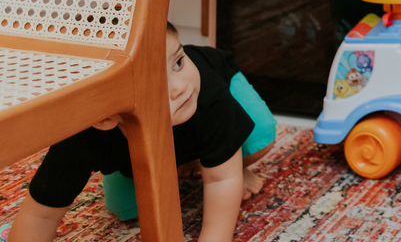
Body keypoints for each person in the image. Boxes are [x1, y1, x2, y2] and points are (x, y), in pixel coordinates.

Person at [6, 23, 277, 242]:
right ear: (104, 118)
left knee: (260, 137)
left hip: (222, 83)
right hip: (147, 141)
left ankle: (221, 161)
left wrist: (226, 177)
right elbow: (40, 215)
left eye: (178, 62)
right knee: (125, 210)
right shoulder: (81, 136)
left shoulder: (204, 93)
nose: (179, 86)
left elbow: (221, 184)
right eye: (155, 85)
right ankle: (195, 161)